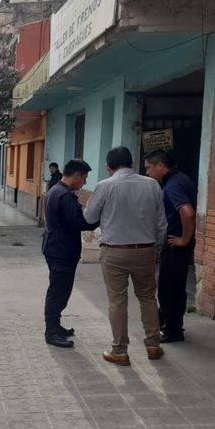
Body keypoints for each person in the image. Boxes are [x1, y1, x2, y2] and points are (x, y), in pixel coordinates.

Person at [84, 146, 166, 366]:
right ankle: (153, 346)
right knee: (148, 297)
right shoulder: (152, 185)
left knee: (117, 301)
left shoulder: (104, 186)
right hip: (146, 249)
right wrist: (156, 249)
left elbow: (90, 216)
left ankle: (120, 351)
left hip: (115, 252)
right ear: (132, 163)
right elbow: (161, 224)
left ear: (109, 167)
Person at [42, 159, 98, 348]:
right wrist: (99, 218)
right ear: (76, 175)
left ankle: (55, 326)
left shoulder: (56, 190)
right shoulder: (64, 196)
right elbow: (79, 223)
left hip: (56, 248)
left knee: (59, 290)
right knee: (58, 292)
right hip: (61, 250)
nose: (84, 183)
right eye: (84, 178)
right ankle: (51, 332)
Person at [144, 149, 197, 343]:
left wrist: (183, 239)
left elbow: (188, 212)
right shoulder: (179, 179)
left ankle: (172, 330)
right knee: (174, 286)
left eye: (149, 168)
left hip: (176, 243)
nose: (148, 173)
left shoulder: (174, 185)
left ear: (161, 166)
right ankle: (166, 322)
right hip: (176, 241)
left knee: (169, 288)